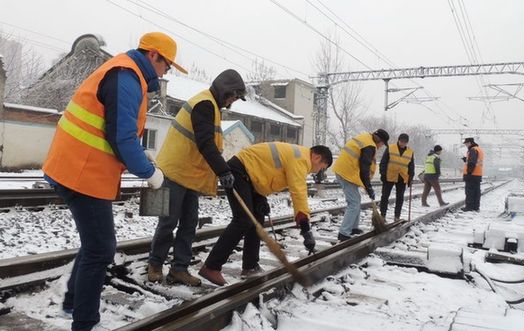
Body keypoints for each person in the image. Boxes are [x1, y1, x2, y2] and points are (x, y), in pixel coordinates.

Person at [42, 32, 185, 330]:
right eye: (167, 65)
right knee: (101, 249)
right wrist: (150, 173)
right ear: (153, 55)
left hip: (77, 168)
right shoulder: (126, 77)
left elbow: (117, 132)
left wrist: (143, 161)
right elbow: (122, 137)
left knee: (94, 243)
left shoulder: (127, 74)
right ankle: (84, 323)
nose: (166, 71)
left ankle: (71, 303)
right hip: (81, 173)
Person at [147, 69, 246, 286]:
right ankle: (155, 264)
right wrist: (223, 171)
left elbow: (209, 144)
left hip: (189, 174)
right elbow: (205, 143)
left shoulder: (212, 106)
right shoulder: (204, 104)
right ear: (225, 91)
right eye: (233, 97)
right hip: (175, 171)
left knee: (189, 223)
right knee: (168, 221)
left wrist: (222, 169)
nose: (232, 102)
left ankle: (178, 269)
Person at [198, 142, 333, 286]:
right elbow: (298, 192)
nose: (318, 171)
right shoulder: (301, 159)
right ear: (317, 157)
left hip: (249, 176)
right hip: (240, 171)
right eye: (321, 168)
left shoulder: (299, 156)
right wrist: (305, 228)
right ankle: (211, 267)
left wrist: (260, 197)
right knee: (243, 220)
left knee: (257, 219)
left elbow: (266, 171)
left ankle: (250, 267)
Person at [333, 129, 389, 242]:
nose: (381, 146)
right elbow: (364, 169)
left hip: (345, 170)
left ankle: (353, 228)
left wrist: (367, 187)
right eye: (382, 143)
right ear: (379, 140)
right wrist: (369, 188)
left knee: (356, 200)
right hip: (347, 173)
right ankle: (343, 233)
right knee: (353, 203)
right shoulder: (369, 146)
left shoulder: (366, 138)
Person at [379, 133, 415, 222]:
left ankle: (397, 216)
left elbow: (411, 166)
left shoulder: (410, 152)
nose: (403, 143)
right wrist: (382, 174)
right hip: (389, 176)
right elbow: (383, 162)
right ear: (398, 140)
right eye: (401, 141)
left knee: (400, 197)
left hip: (402, 177)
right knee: (385, 196)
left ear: (407, 142)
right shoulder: (390, 148)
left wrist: (410, 178)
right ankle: (382, 216)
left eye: (405, 142)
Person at [461, 137, 484, 211]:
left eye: (466, 143)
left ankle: (469, 207)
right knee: (476, 192)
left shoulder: (472, 150)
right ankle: (476, 207)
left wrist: (469, 173)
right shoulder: (479, 149)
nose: (466, 145)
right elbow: (475, 161)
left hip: (472, 174)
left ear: (470, 143)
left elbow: (472, 162)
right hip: (478, 174)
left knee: (469, 191)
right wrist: (466, 159)